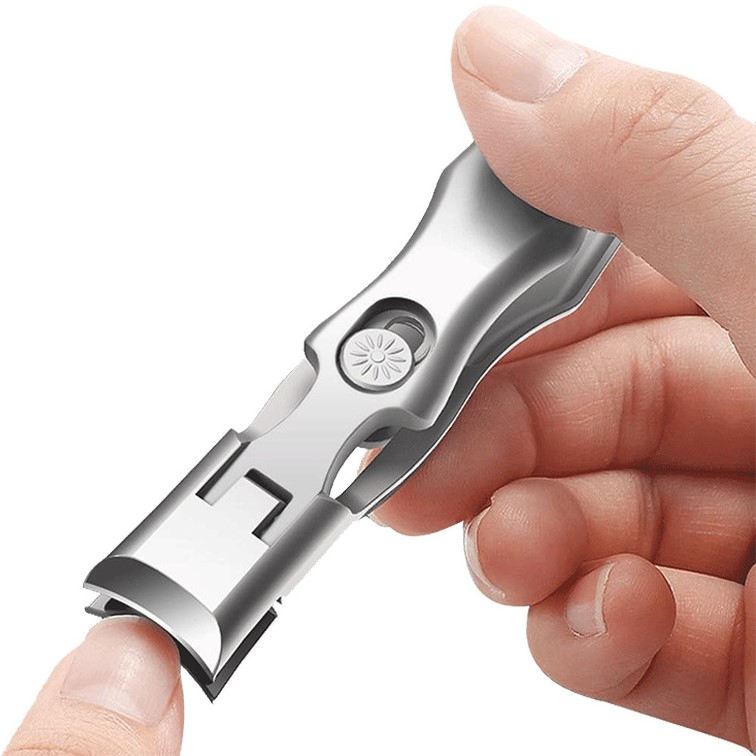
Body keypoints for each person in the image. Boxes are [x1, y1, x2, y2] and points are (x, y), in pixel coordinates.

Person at [5, 7, 754, 755]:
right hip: (479, 281)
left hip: (526, 258)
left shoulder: (562, 235)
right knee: (348, 402)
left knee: (371, 400)